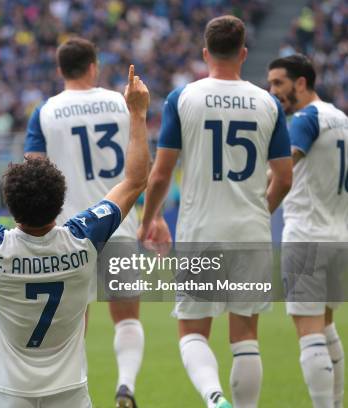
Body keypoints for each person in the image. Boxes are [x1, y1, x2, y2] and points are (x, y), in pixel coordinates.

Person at [0, 64, 149, 407]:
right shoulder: (83, 238)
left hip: (7, 395)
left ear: (10, 205)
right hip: (71, 395)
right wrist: (137, 114)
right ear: (61, 201)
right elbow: (134, 182)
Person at [140, 16, 293, 408]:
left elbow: (160, 174)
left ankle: (214, 398)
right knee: (245, 335)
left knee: (192, 332)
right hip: (251, 232)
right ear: (244, 53)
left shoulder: (183, 98)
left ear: (205, 53)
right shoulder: (269, 103)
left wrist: (150, 220)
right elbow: (284, 177)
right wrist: (261, 211)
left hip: (201, 231)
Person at [24, 37, 171, 407]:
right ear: (94, 65)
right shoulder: (123, 103)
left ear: (60, 70)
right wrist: (154, 215)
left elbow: (34, 171)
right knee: (127, 317)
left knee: (73, 324)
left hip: (69, 233)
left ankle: (71, 391)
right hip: (117, 222)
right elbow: (144, 163)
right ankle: (125, 387)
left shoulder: (45, 111)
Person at [268, 53, 347, 408]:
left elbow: (282, 172)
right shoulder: (341, 119)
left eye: (279, 83)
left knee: (309, 333)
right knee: (326, 325)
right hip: (338, 234)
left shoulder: (306, 119)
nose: (273, 92)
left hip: (306, 236)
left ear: (301, 83)